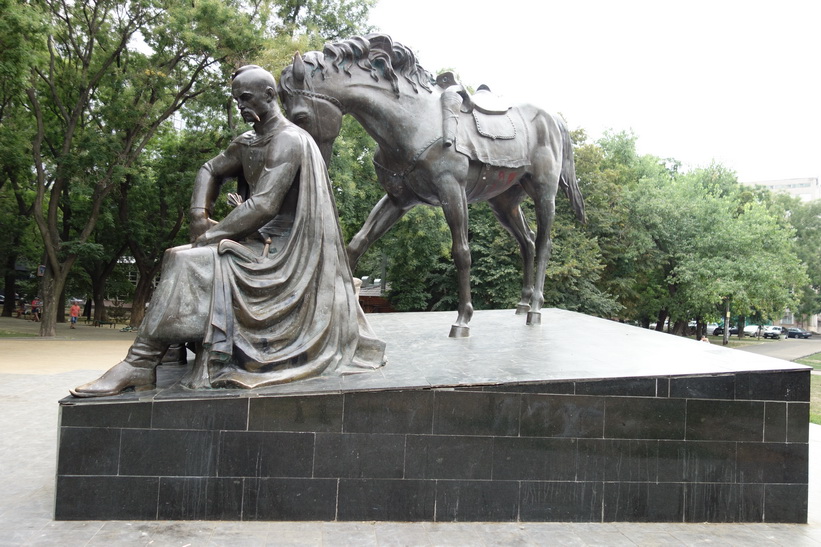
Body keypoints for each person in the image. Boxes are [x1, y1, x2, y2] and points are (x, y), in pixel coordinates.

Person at [71, 65, 385, 397]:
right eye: (236, 100)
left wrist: (210, 235)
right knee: (180, 256)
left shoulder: (288, 140)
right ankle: (155, 358)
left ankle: (140, 363)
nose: (240, 106)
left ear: (269, 95)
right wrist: (198, 215)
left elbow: (264, 204)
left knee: (187, 260)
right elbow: (210, 169)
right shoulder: (248, 141)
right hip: (255, 238)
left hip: (286, 251)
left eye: (246, 98)